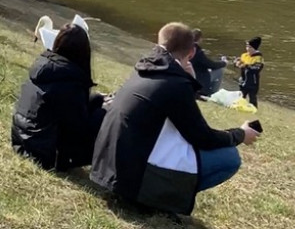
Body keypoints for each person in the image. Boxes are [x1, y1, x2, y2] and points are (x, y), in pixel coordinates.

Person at [90, 22, 260, 216]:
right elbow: (202, 137)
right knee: (229, 158)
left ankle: (150, 195)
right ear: (192, 53)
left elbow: (182, 118)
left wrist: (189, 82)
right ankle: (158, 199)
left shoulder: (144, 69)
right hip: (131, 182)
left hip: (106, 170)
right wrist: (239, 134)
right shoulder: (175, 84)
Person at [11, 24, 106, 171]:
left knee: (97, 101)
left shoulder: (45, 67)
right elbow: (77, 127)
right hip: (43, 155)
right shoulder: (70, 83)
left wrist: (96, 99)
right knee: (103, 115)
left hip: (21, 140)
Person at [191, 28, 228, 97]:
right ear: (200, 39)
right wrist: (224, 63)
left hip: (190, 78)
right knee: (219, 71)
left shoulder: (184, 48)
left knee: (210, 70)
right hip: (198, 80)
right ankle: (212, 94)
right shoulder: (197, 51)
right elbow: (211, 64)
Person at [234, 36, 264, 108]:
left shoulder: (258, 58)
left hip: (253, 83)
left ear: (255, 48)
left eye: (250, 47)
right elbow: (238, 62)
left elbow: (256, 68)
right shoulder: (244, 55)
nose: (248, 49)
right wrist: (237, 63)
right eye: (247, 46)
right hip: (243, 80)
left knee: (252, 98)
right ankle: (240, 107)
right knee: (241, 96)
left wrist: (245, 66)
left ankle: (254, 110)